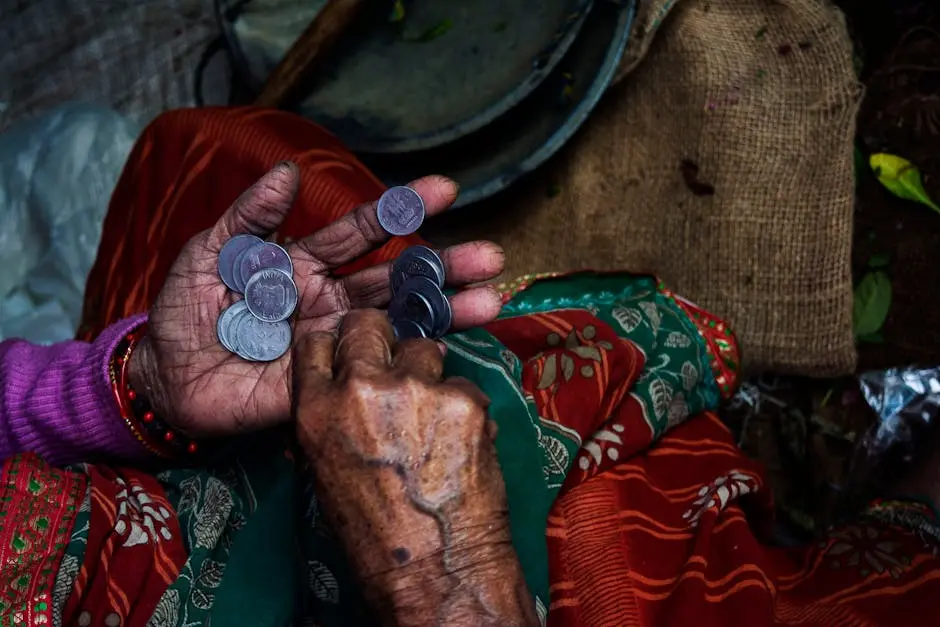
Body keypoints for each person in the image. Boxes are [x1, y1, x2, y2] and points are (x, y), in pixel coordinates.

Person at [1, 107, 939, 627]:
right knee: (615, 537)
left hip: (132, 498)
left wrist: (135, 392)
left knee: (223, 152)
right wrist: (441, 581)